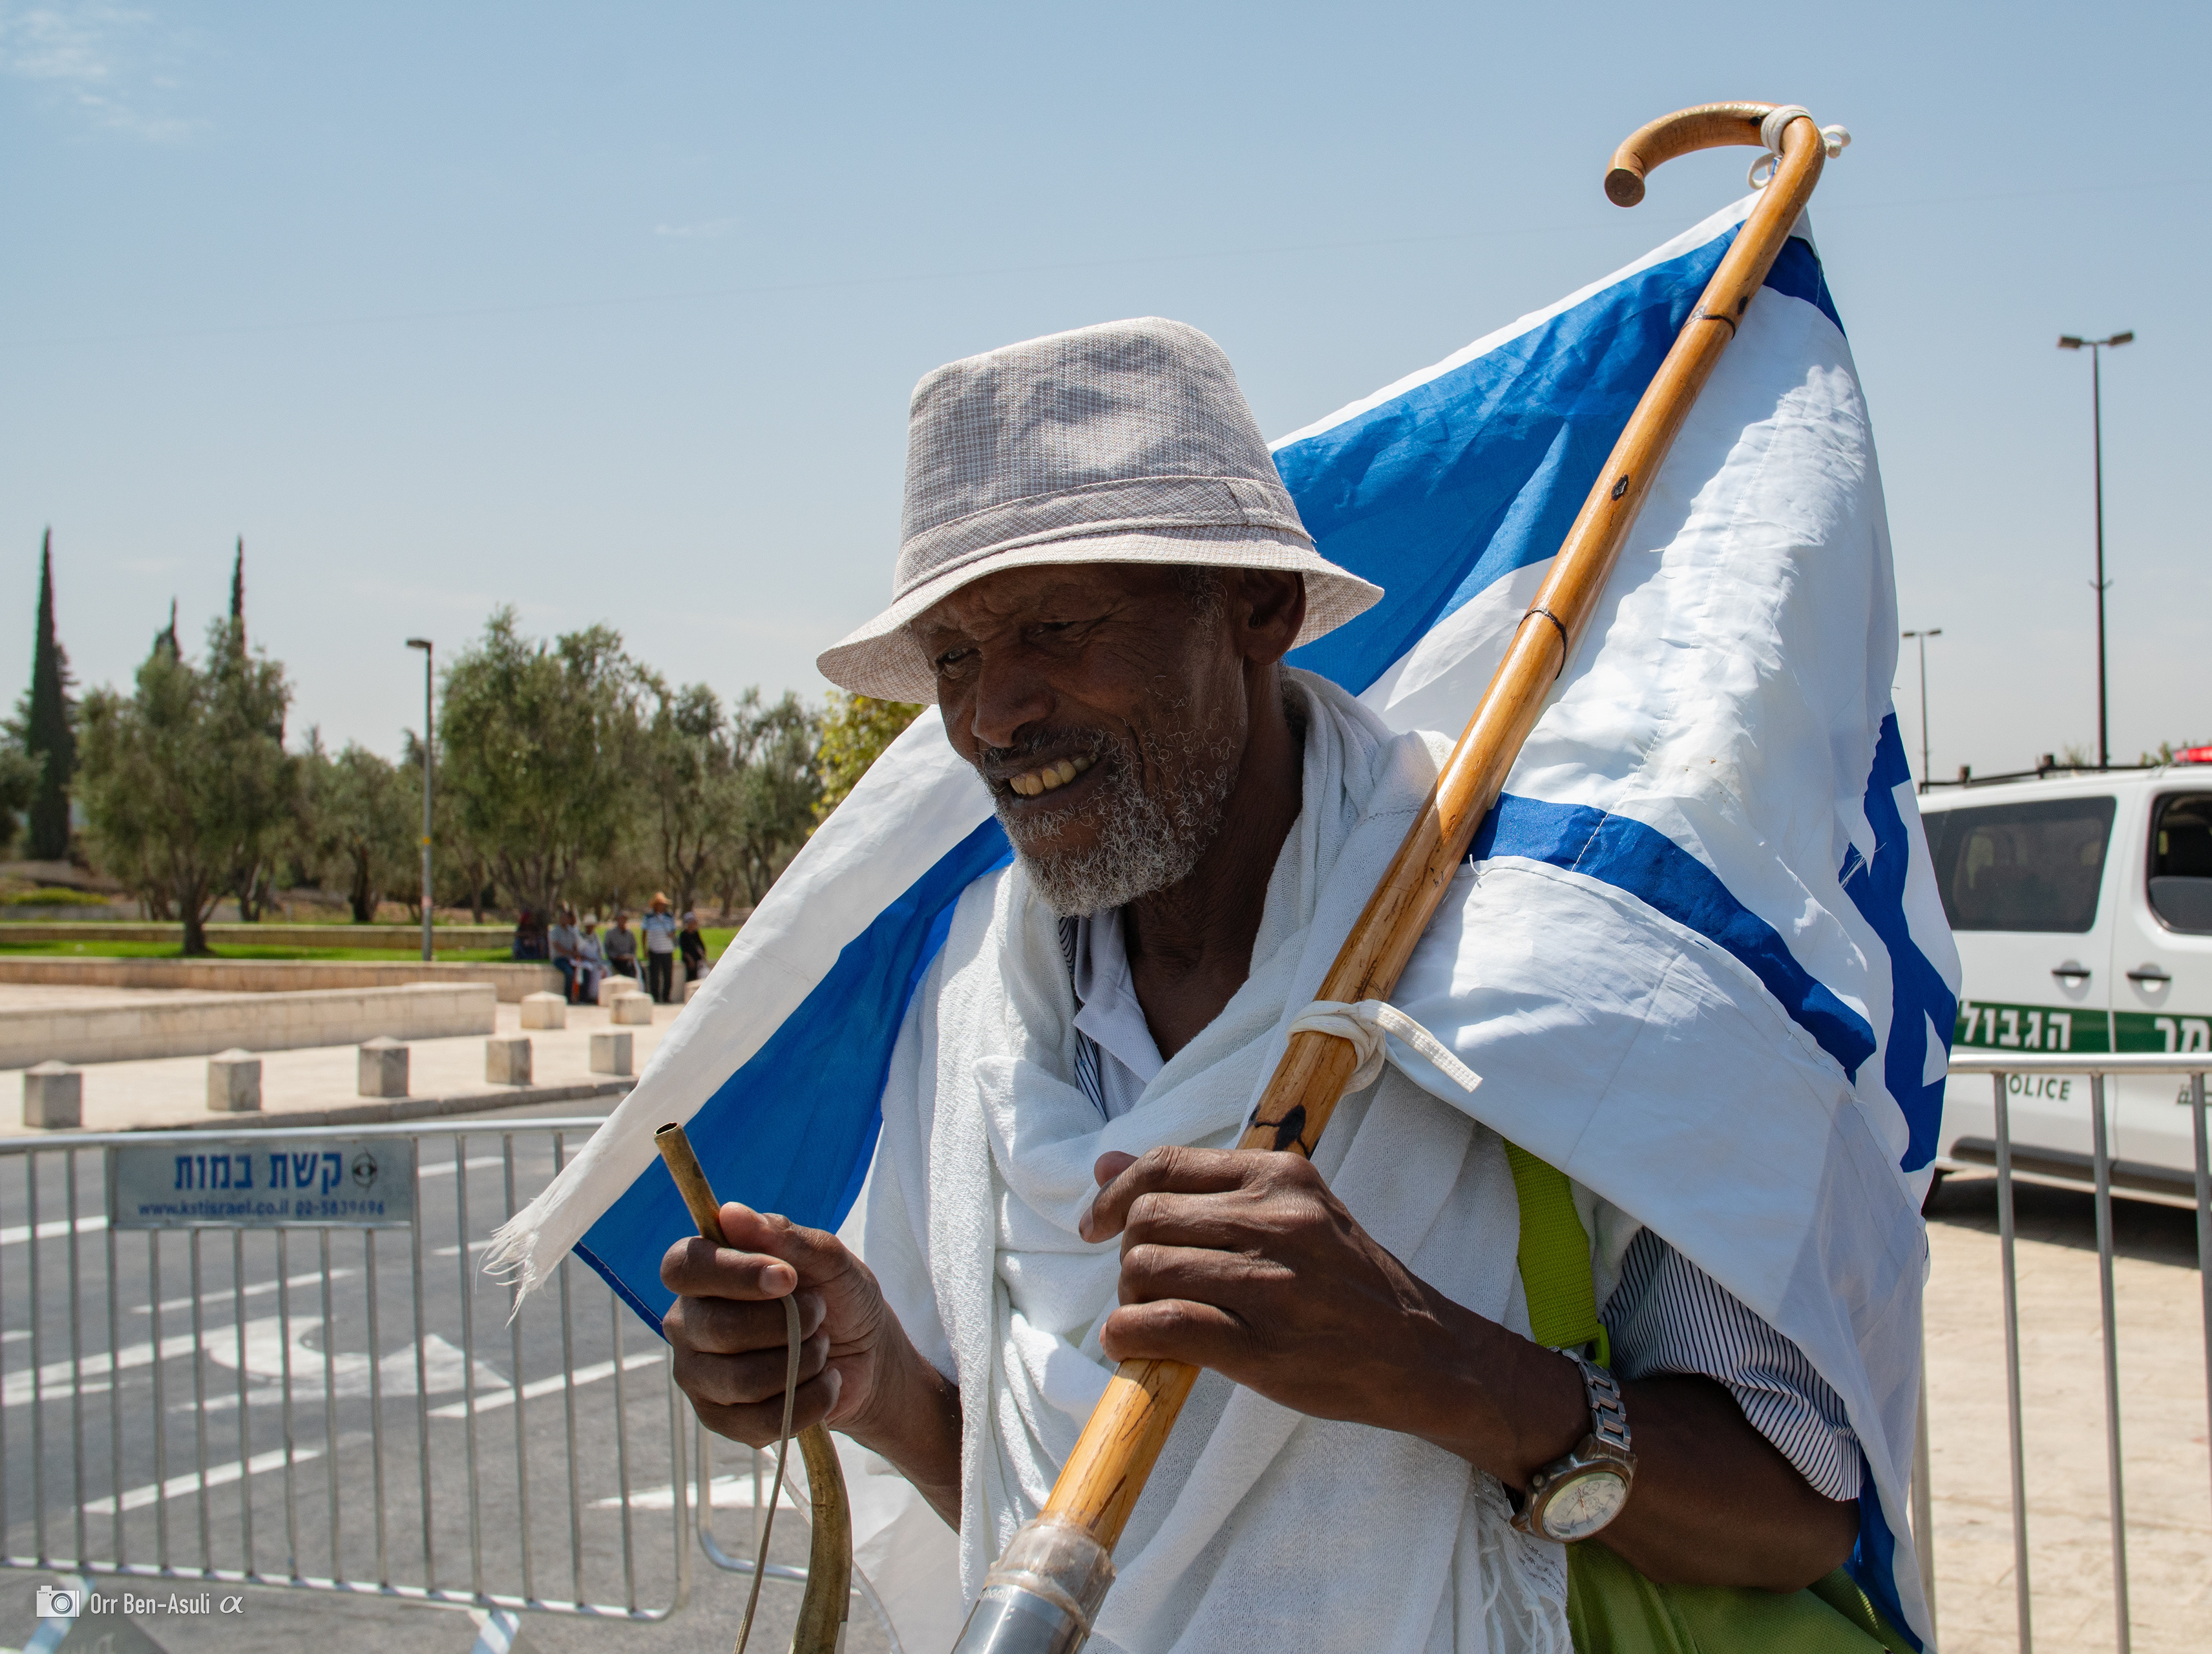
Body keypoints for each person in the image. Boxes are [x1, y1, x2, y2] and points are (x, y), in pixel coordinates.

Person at [660, 321, 1868, 1648]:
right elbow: (1059, 1537)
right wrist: (873, 1374)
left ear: (1257, 608)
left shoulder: (1550, 953)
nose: (994, 709)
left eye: (1056, 625)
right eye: (953, 654)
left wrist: (1440, 1363)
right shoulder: (974, 1002)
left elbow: (1795, 1505)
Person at [546, 907, 591, 1003]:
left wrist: (577, 955)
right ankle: (567, 999)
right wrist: (571, 953)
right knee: (569, 972)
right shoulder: (555, 931)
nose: (564, 920)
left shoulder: (572, 931)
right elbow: (558, 947)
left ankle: (583, 998)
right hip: (559, 959)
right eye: (562, 917)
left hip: (571, 959)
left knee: (586, 970)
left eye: (566, 918)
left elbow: (575, 946)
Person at [642, 894, 678, 1003]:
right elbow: (644, 933)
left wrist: (672, 934)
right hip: (654, 950)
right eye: (660, 904)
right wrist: (644, 948)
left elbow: (674, 930)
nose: (663, 906)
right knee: (654, 976)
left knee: (668, 976)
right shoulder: (648, 917)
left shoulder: (670, 917)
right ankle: (655, 997)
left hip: (667, 950)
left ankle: (666, 997)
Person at [603, 912, 639, 985]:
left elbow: (634, 946)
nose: (622, 921)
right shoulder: (610, 933)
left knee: (635, 973)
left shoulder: (630, 933)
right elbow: (607, 948)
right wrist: (616, 956)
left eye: (624, 919)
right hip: (615, 960)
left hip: (628, 960)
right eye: (620, 919)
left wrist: (631, 956)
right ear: (617, 920)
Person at [675, 912, 708, 984]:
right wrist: (690, 960)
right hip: (689, 960)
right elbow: (684, 950)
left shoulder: (696, 933)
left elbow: (701, 945)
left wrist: (703, 955)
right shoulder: (683, 935)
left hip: (698, 959)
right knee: (691, 979)